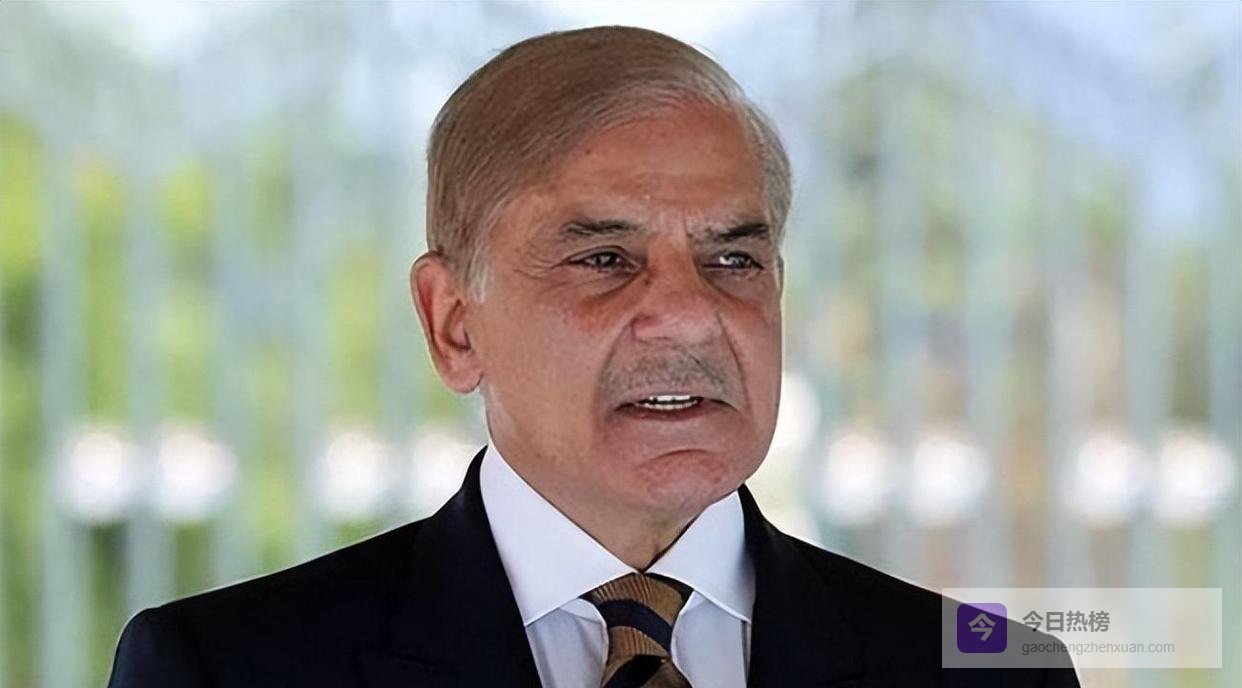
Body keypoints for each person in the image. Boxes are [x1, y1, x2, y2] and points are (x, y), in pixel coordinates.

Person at [108, 26, 1078, 688]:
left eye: (733, 258)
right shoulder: (225, 667)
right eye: (604, 259)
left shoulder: (989, 670)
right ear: (453, 323)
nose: (688, 316)